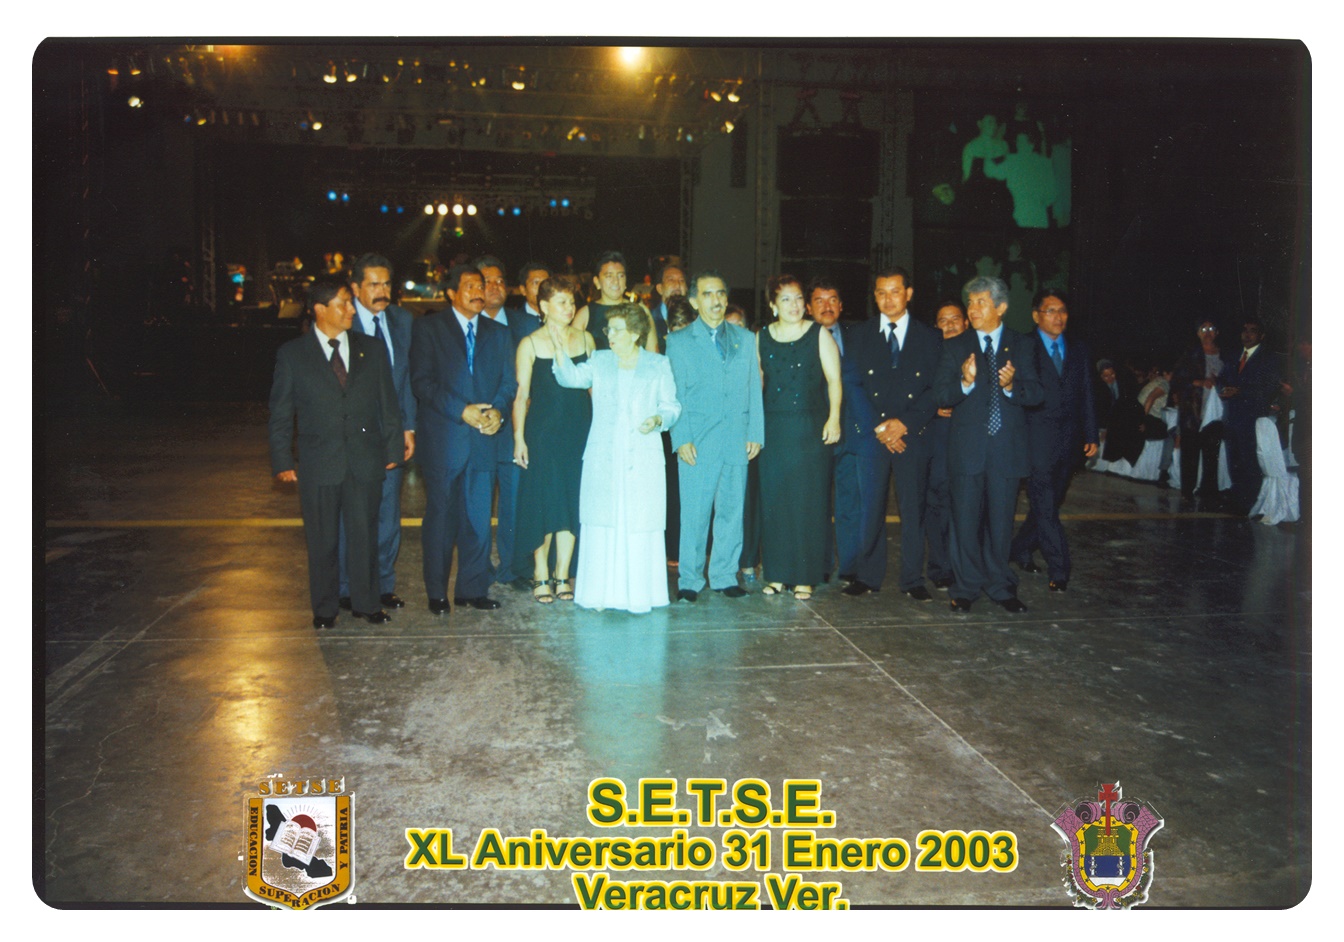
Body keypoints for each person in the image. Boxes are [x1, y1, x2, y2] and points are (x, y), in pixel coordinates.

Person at [268, 279, 403, 629]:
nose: (350, 310)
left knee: (364, 536)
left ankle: (367, 603)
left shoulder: (371, 349)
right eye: (343, 303)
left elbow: (388, 404)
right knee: (322, 541)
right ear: (319, 309)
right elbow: (281, 413)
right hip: (319, 462)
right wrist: (282, 460)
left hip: (364, 459)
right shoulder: (292, 354)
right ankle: (325, 609)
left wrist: (392, 447)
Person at [551, 303, 680, 613]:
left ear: (635, 333)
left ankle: (640, 596)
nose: (609, 335)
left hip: (643, 455)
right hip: (604, 456)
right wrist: (559, 350)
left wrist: (658, 420)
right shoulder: (599, 360)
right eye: (608, 329)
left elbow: (671, 406)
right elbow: (570, 378)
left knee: (640, 521)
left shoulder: (658, 363)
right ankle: (601, 594)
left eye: (616, 330)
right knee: (603, 520)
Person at [410, 264, 517, 614]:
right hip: (445, 441)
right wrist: (462, 410)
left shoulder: (498, 333)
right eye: (469, 286)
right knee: (441, 521)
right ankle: (437, 593)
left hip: (484, 440)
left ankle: (472, 589)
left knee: (478, 521)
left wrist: (498, 411)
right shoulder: (429, 328)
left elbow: (508, 382)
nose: (478, 291)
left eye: (481, 286)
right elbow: (422, 382)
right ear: (451, 293)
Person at [935, 275, 1043, 613]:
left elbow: (1036, 393)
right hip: (967, 450)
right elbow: (941, 394)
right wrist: (965, 382)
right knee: (964, 523)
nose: (973, 309)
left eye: (981, 302)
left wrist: (1011, 387)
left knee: (1000, 523)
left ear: (1001, 307)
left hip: (1006, 450)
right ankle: (965, 587)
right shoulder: (955, 346)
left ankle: (1000, 586)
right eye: (970, 302)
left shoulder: (1022, 344)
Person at [841, 267, 942, 601]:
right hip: (873, 435)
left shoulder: (930, 337)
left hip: (912, 435)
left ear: (909, 294)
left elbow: (936, 387)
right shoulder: (859, 334)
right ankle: (867, 576)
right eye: (881, 293)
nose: (888, 299)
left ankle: (912, 579)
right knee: (870, 509)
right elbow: (852, 383)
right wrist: (881, 427)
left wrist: (905, 424)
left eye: (895, 291)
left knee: (913, 510)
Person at [666, 271, 765, 601]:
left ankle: (724, 575)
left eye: (721, 293)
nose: (716, 300)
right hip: (697, 442)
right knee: (694, 514)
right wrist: (681, 438)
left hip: (736, 439)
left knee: (731, 512)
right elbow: (675, 393)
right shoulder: (679, 341)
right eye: (708, 294)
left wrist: (755, 432)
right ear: (694, 301)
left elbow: (753, 389)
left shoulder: (745, 339)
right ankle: (690, 579)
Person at [756, 275, 842, 600]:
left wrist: (834, 418)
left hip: (809, 428)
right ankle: (777, 574)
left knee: (808, 501)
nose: (793, 305)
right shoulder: (761, 337)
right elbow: (756, 384)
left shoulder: (819, 334)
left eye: (797, 298)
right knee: (775, 501)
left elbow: (834, 381)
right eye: (785, 299)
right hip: (773, 430)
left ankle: (805, 576)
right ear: (772, 305)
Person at [339, 254, 416, 612]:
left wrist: (409, 426)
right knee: (351, 514)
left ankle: (383, 585)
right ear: (355, 288)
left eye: (386, 283)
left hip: (391, 434)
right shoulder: (341, 320)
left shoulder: (403, 321)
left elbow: (408, 379)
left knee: (387, 514)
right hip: (352, 436)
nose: (382, 291)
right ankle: (346, 587)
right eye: (373, 284)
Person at [512, 277, 595, 602]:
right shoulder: (530, 344)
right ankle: (541, 573)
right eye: (562, 302)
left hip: (579, 433)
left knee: (572, 501)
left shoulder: (586, 339)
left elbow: (595, 391)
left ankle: (562, 574)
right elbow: (522, 396)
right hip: (543, 435)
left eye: (572, 302)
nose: (570, 308)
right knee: (545, 503)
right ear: (544, 306)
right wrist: (519, 438)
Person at [1008, 290, 1097, 592]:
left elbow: (1086, 393)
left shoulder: (1078, 349)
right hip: (1035, 439)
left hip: (1069, 440)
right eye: (1051, 311)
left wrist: (1091, 433)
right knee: (1046, 504)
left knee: (1049, 503)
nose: (1058, 317)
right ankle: (1059, 568)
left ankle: (1020, 548)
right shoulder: (1024, 346)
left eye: (1062, 311)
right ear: (1036, 315)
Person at [475, 254, 523, 589]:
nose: (494, 287)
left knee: (513, 503)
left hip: (513, 429)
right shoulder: (463, 324)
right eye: (486, 281)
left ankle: (512, 569)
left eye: (500, 281)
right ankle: (478, 569)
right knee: (476, 506)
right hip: (474, 430)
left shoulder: (524, 324)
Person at [808, 278, 860, 583]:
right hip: (814, 435)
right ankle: (822, 564)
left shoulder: (859, 337)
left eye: (832, 300)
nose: (826, 307)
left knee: (849, 504)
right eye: (819, 301)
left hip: (851, 434)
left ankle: (850, 566)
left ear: (841, 306)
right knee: (817, 505)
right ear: (809, 307)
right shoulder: (801, 337)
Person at [924, 301, 970, 590]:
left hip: (970, 437)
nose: (950, 325)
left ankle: (965, 565)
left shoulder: (977, 351)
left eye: (955, 319)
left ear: (966, 322)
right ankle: (940, 566)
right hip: (938, 436)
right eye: (943, 320)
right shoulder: (929, 354)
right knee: (938, 499)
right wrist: (934, 406)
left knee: (968, 501)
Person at [1175, 318, 1227, 509]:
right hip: (1193, 412)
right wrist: (1198, 382)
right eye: (1203, 329)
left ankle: (1208, 491)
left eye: (1211, 328)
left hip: (1215, 413)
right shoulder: (1190, 354)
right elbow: (1177, 380)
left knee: (1212, 455)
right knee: (1190, 453)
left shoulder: (1224, 355)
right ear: (1197, 333)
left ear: (1217, 332)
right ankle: (1187, 492)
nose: (1207, 332)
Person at [576, 251, 656, 353]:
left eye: (620, 276)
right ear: (597, 281)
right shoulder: (585, 314)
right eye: (609, 276)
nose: (616, 281)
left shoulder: (641, 311)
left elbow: (653, 353)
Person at [648, 261, 687, 351]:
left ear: (686, 289)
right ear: (660, 288)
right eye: (671, 280)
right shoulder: (649, 319)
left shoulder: (695, 319)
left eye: (681, 281)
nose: (677, 285)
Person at [507, 261, 550, 344]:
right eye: (536, 283)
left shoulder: (561, 316)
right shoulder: (513, 323)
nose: (542, 288)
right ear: (523, 290)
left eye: (546, 283)